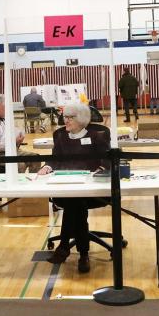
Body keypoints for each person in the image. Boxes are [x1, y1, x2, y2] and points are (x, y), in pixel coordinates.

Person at [37, 103, 110, 273]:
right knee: (75, 204)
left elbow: (106, 161)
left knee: (75, 204)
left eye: (71, 117)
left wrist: (100, 171)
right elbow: (55, 159)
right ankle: (83, 254)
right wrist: (47, 167)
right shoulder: (60, 136)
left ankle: (64, 247)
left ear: (82, 119)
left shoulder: (97, 135)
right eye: (65, 117)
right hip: (66, 187)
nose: (66, 120)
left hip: (92, 190)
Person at [0, 94, 41, 172]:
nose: (8, 109)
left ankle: (32, 183)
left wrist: (18, 139)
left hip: (6, 151)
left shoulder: (3, 118)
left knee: (36, 158)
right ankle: (17, 184)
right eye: (6, 106)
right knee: (20, 165)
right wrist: (13, 141)